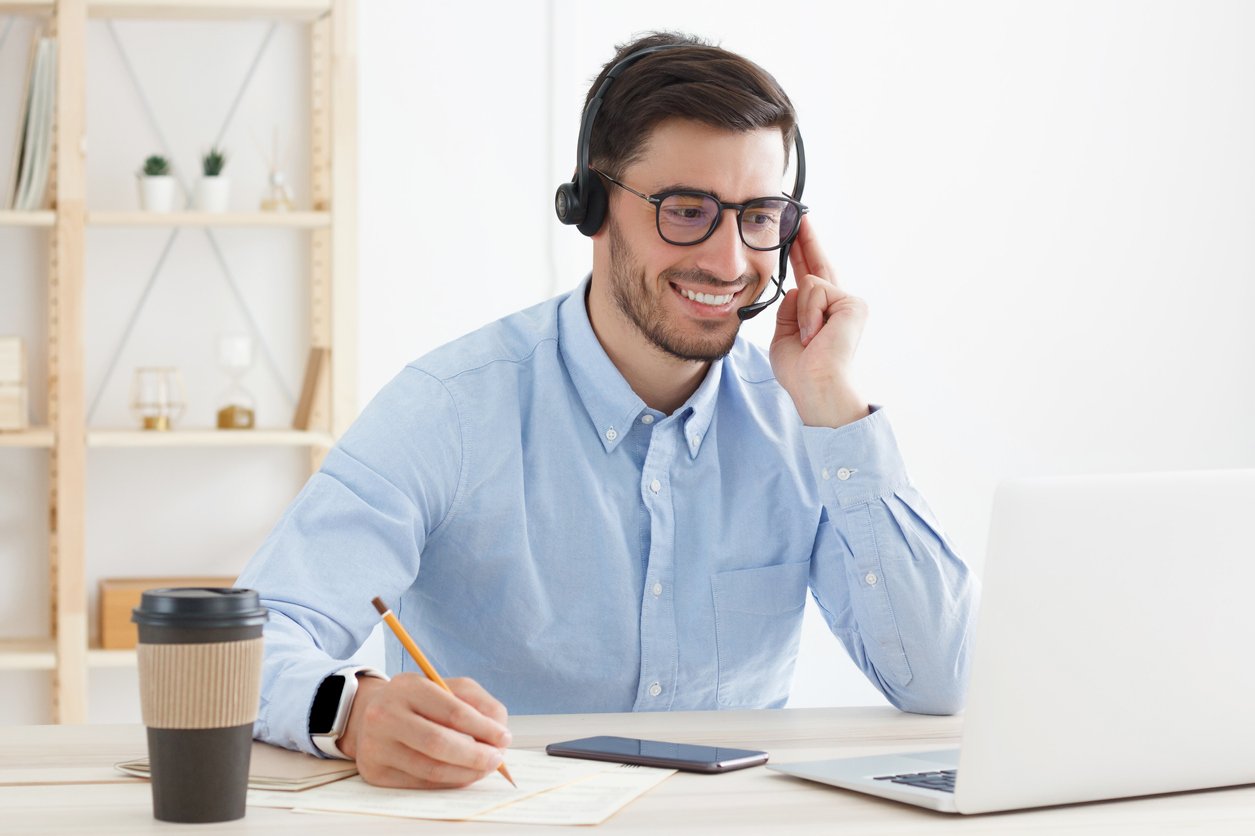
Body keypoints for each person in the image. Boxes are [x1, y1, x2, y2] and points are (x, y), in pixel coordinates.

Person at [237, 31, 978, 790]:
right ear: (590, 206)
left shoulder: (805, 421)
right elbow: (243, 643)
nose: (729, 264)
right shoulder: (450, 411)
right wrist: (352, 714)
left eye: (758, 216)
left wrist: (833, 406)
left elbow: (942, 682)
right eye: (686, 210)